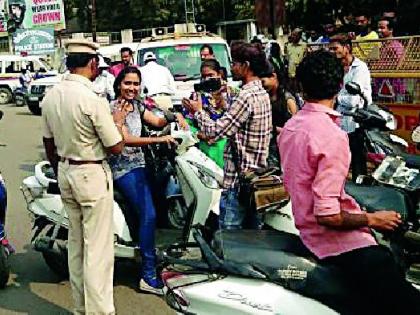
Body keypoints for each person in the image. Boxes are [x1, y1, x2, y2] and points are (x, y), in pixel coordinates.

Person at [278, 49, 420, 315]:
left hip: (308, 235)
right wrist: (374, 219)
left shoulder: (291, 128)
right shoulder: (331, 136)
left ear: (301, 86)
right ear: (340, 85)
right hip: (339, 245)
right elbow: (328, 214)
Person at [41, 39, 127, 315]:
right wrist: (118, 122)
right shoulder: (92, 98)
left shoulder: (51, 95)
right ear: (92, 64)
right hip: (90, 170)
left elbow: (49, 143)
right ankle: (99, 311)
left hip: (66, 169)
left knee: (76, 245)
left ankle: (80, 308)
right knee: (98, 250)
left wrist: (61, 168)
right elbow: (116, 146)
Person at [182, 42, 272, 230]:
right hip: (256, 177)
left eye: (234, 63)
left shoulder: (245, 96)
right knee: (253, 237)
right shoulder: (260, 92)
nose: (231, 68)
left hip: (240, 182)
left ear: (245, 66)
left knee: (231, 240)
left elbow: (216, 131)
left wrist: (198, 111)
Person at [108, 66, 179, 295]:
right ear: (119, 84)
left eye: (136, 84)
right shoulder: (114, 108)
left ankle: (153, 253)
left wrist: (175, 115)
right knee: (148, 214)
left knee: (159, 203)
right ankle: (147, 275)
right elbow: (125, 139)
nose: (132, 88)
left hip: (141, 166)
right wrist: (158, 141)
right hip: (123, 168)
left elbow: (156, 122)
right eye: (127, 83)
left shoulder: (137, 105)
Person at [329, 34, 372, 181]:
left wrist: (336, 98)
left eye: (336, 48)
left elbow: (354, 101)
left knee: (358, 162)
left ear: (347, 48)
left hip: (356, 121)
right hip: (339, 121)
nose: (333, 52)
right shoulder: (336, 68)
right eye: (331, 49)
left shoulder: (360, 68)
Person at [182, 59, 238, 168]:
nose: (207, 79)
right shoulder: (197, 96)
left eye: (210, 75)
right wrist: (198, 134)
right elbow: (187, 123)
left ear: (219, 74)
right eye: (204, 76)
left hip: (227, 145)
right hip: (205, 147)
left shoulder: (232, 94)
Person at [260, 61, 297, 168]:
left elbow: (295, 130)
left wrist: (273, 129)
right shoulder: (264, 98)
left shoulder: (288, 100)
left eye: (264, 82)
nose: (262, 86)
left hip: (286, 149)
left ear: (274, 76)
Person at [285, 28, 307, 93]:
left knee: (301, 90)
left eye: (294, 35)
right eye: (292, 35)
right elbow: (287, 57)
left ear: (299, 36)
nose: (292, 36)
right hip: (291, 73)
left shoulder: (304, 45)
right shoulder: (288, 46)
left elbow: (305, 58)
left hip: (300, 73)